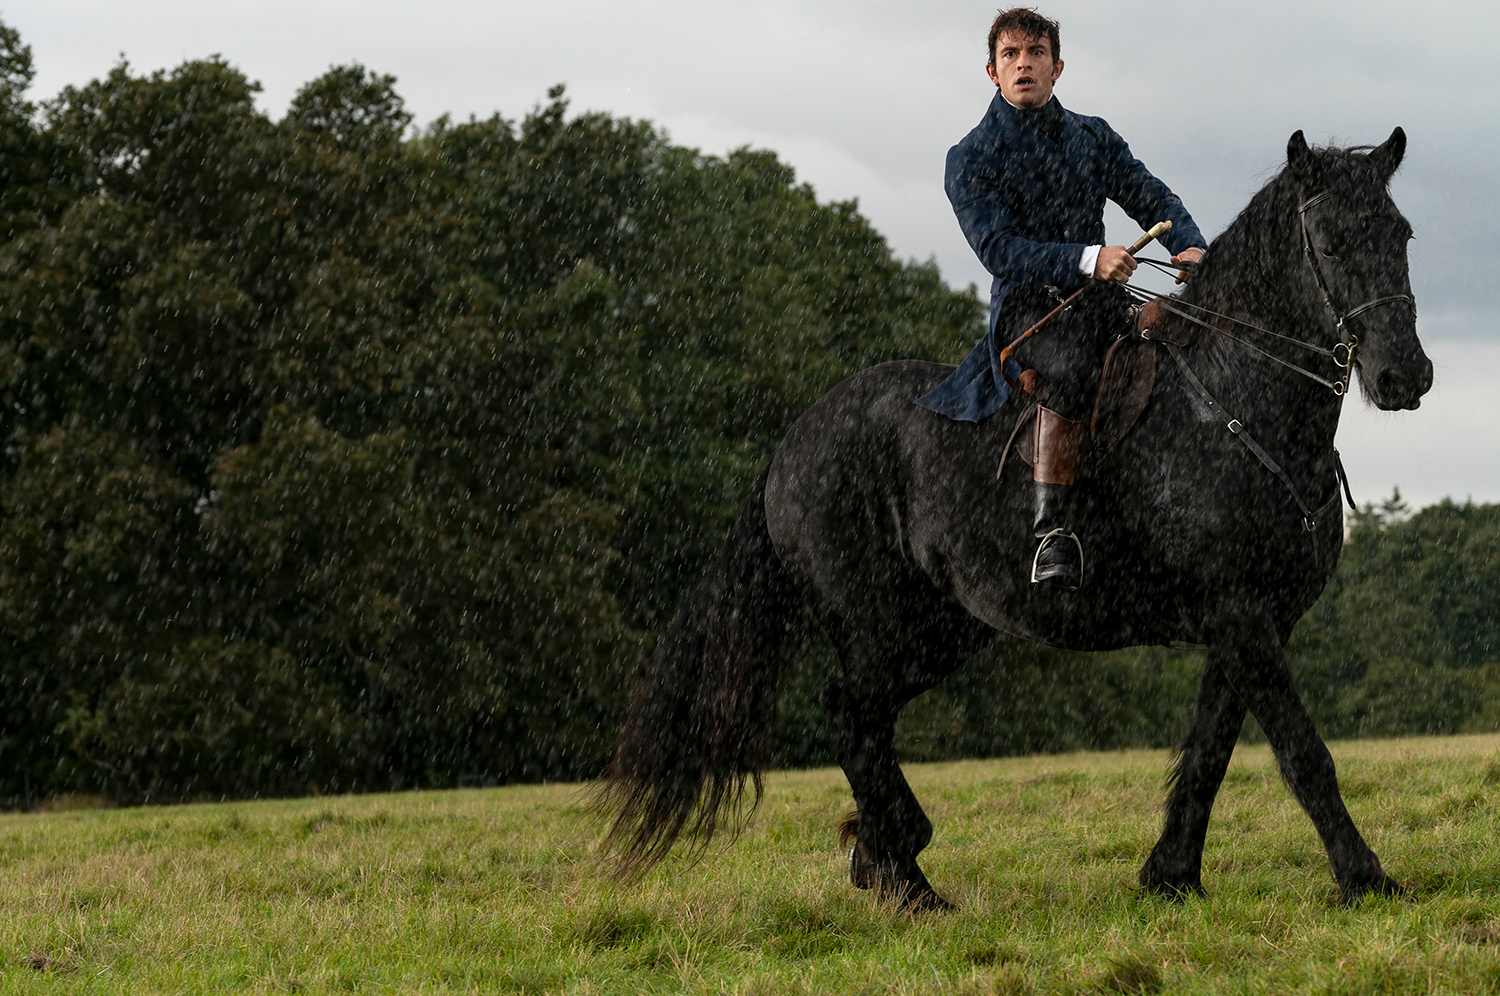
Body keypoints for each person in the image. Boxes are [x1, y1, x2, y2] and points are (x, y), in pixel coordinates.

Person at [916, 7, 1207, 591]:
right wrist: (1086, 257)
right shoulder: (969, 156)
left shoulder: (1094, 136)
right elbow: (997, 249)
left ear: (1057, 66)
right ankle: (1053, 533)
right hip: (1030, 313)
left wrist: (1192, 245)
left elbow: (1149, 193)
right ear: (992, 73)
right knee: (1075, 368)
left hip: (1099, 302)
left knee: (1176, 347)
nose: (1024, 64)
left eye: (1035, 54)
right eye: (1011, 56)